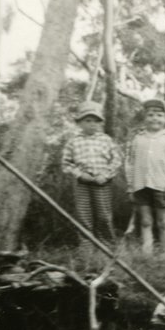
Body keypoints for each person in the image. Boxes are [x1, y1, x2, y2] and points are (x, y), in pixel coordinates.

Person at [125, 98, 165, 261]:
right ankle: (147, 255)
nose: (154, 118)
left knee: (163, 222)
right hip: (140, 186)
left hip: (161, 186)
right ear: (145, 117)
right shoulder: (138, 138)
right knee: (145, 221)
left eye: (159, 115)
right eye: (150, 115)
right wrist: (130, 186)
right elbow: (130, 163)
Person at [61, 101, 121, 247]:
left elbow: (117, 160)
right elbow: (66, 164)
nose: (92, 124)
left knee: (103, 215)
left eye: (96, 121)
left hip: (102, 183)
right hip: (83, 184)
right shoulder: (73, 142)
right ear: (80, 123)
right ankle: (86, 248)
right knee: (84, 215)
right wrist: (79, 174)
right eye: (88, 121)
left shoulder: (106, 140)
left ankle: (107, 246)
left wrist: (106, 175)